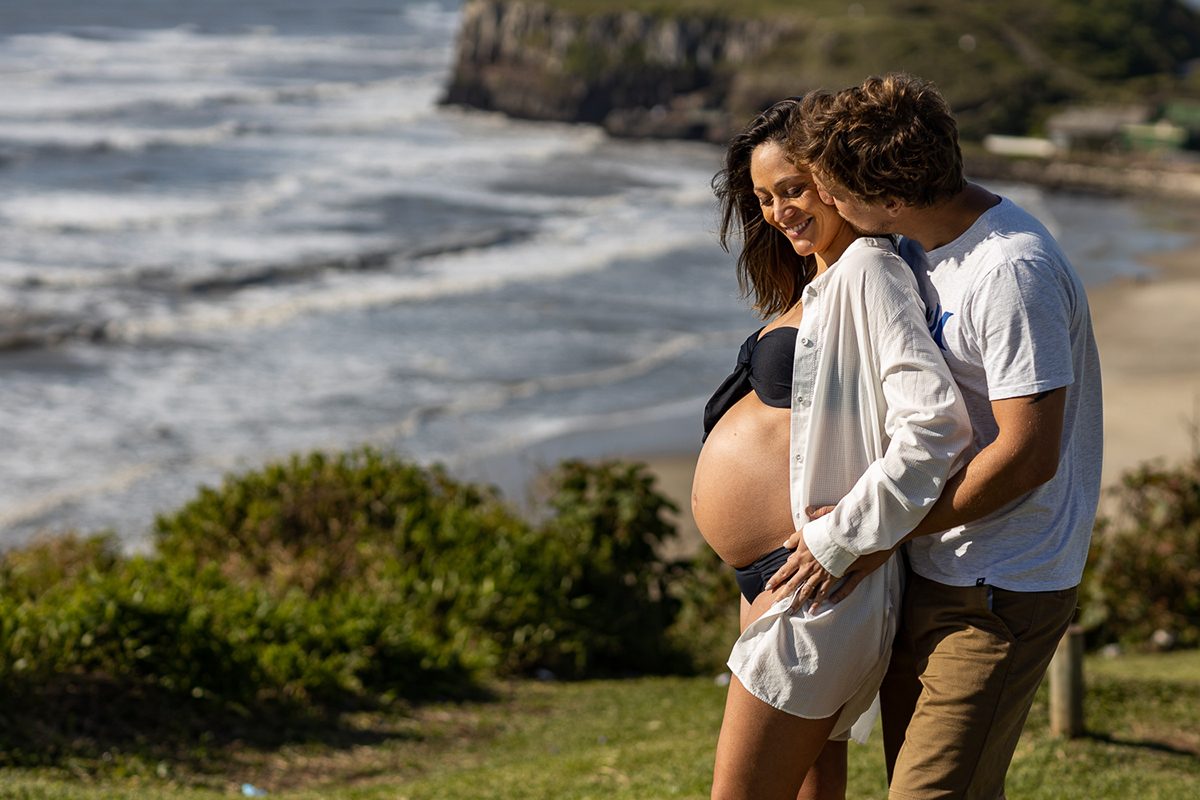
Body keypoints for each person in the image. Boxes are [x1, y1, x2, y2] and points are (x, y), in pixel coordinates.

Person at [769, 73, 1104, 799]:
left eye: (833, 192)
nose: (826, 203)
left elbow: (1027, 455)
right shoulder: (919, 243)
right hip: (933, 570)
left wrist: (876, 532)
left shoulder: (1012, 272)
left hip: (998, 586)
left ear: (889, 201)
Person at [690, 95, 971, 800]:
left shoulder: (870, 271)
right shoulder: (823, 279)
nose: (779, 211)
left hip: (818, 584)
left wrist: (840, 537)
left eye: (792, 189)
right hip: (782, 583)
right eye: (762, 198)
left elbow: (935, 424)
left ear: (835, 179)